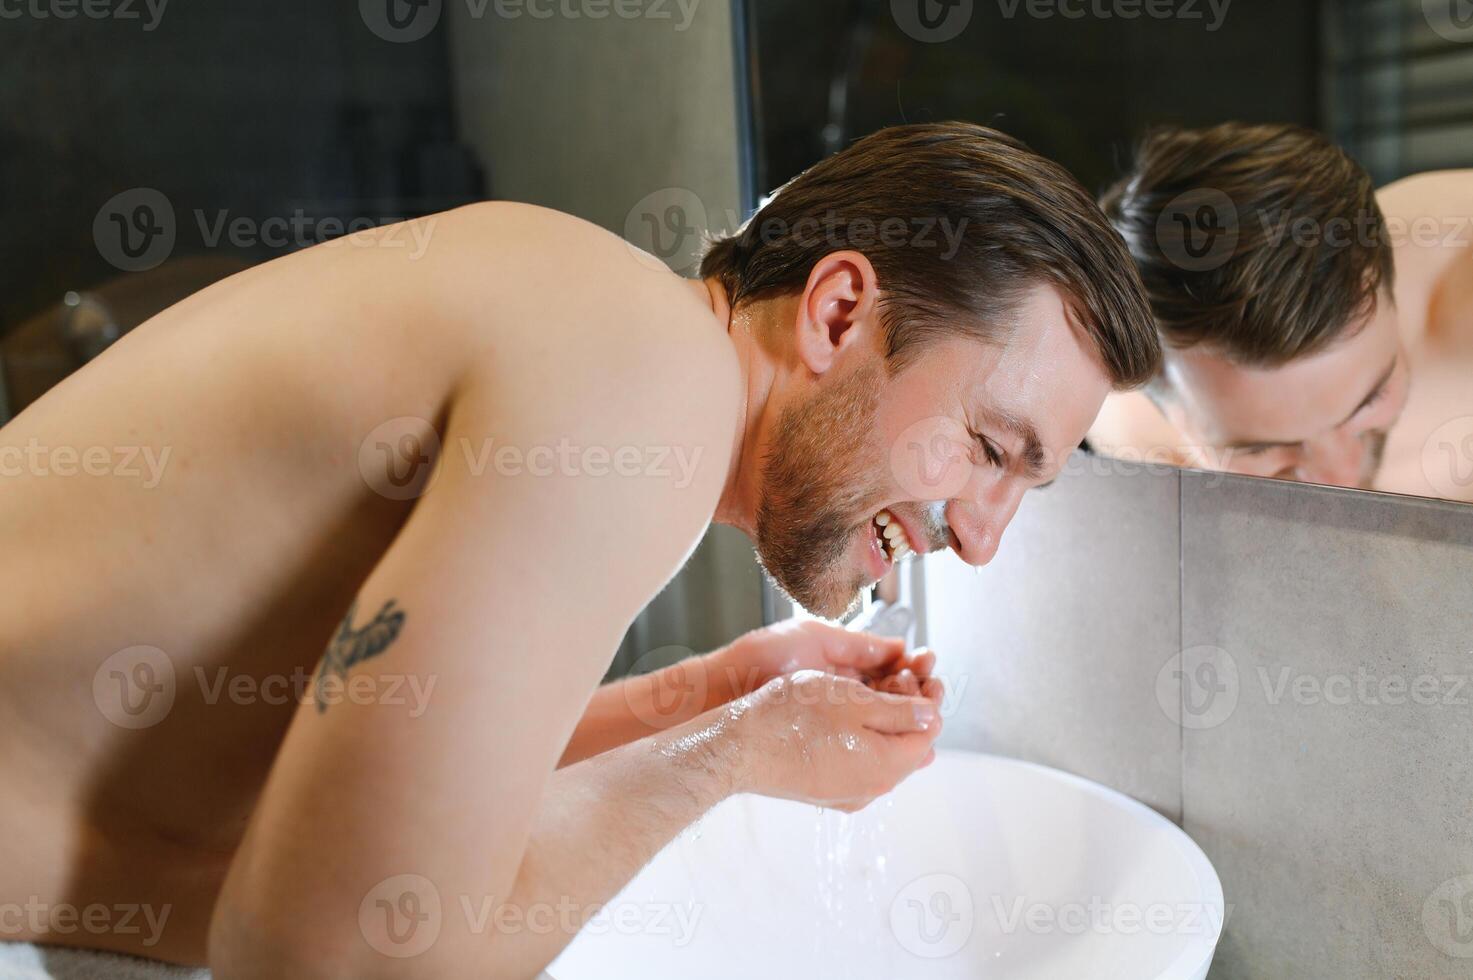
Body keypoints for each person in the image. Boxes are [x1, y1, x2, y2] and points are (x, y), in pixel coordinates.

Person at [0, 122, 1158, 977]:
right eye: (992, 448)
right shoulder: (641, 378)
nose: (984, 535)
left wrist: (699, 698)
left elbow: (360, 790)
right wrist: (731, 755)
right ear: (840, 314)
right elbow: (331, 950)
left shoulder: (606, 336)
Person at [1089, 122, 1473, 501]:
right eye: (1259, 450)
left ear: (1391, 294)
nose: (1340, 477)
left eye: (1371, 400)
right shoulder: (1125, 424)